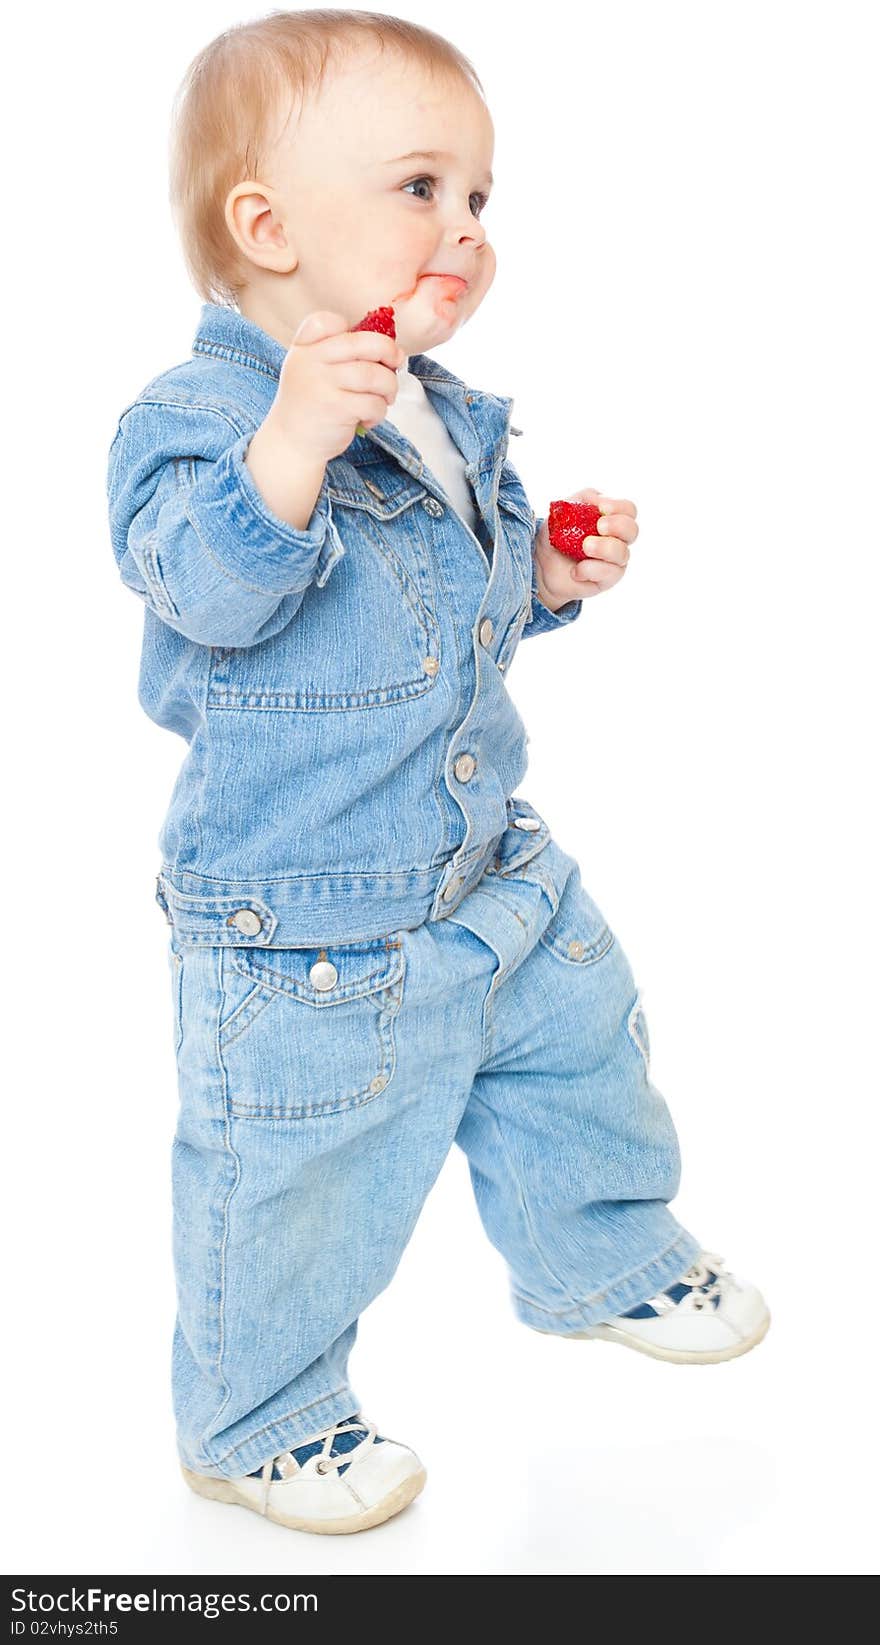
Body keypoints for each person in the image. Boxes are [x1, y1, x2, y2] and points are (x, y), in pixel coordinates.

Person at [106, 9, 769, 1538]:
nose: (465, 230)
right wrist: (285, 445)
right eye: (421, 187)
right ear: (264, 225)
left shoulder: (447, 410)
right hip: (308, 928)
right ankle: (258, 1417)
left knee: (583, 1053)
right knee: (299, 1179)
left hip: (488, 865)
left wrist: (542, 571)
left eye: (482, 199)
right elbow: (204, 593)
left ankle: (601, 1251)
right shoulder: (197, 422)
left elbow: (439, 622)